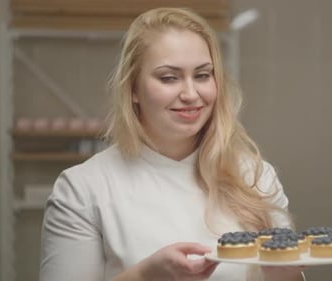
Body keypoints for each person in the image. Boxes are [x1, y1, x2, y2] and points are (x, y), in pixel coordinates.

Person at [39, 7, 305, 281]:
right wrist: (145, 275)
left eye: (202, 75)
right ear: (133, 89)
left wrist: (285, 274)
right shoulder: (82, 189)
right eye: (169, 78)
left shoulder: (255, 177)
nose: (191, 94)